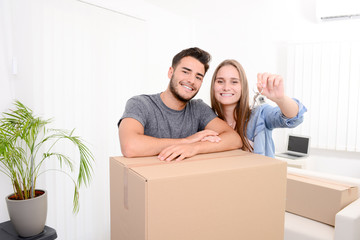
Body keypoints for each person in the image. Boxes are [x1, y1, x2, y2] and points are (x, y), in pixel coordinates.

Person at [118, 48, 243, 161]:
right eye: (186, 72)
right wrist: (186, 141)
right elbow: (130, 146)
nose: (191, 80)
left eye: (198, 77)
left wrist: (194, 147)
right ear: (170, 72)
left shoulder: (198, 108)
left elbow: (234, 139)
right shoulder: (141, 104)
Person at [210, 59, 307, 157]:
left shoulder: (260, 115)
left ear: (242, 86)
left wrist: (280, 99)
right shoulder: (208, 123)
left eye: (234, 82)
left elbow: (294, 118)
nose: (226, 87)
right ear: (213, 86)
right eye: (220, 81)